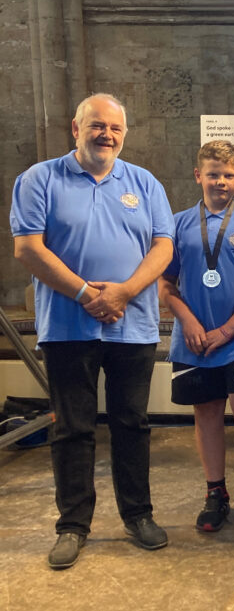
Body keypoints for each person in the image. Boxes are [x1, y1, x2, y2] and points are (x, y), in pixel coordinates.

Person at [10, 93, 173, 569]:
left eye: (115, 128)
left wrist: (123, 293)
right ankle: (72, 526)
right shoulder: (39, 179)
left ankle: (138, 516)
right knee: (73, 429)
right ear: (75, 128)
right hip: (66, 327)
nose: (106, 134)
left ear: (124, 135)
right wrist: (88, 294)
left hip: (133, 326)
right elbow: (28, 249)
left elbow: (163, 248)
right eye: (97, 125)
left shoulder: (144, 183)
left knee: (132, 425)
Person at [158, 141, 234, 532]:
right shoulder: (177, 224)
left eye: (227, 175)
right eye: (213, 174)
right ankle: (215, 492)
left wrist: (228, 330)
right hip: (193, 338)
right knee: (206, 411)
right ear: (198, 176)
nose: (220, 181)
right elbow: (165, 284)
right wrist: (188, 322)